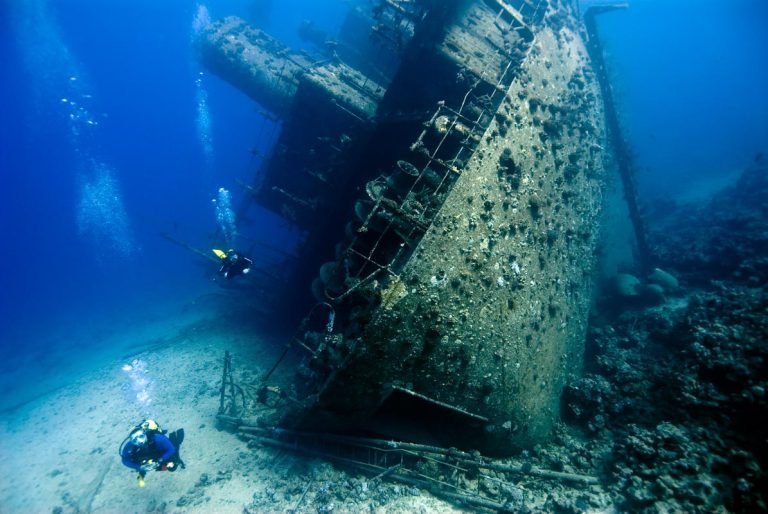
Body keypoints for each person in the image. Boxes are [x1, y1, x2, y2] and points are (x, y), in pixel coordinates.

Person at [120, 419, 185, 487]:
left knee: (172, 467)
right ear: (131, 441)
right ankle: (142, 474)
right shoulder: (129, 446)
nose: (140, 441)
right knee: (138, 459)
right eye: (135, 440)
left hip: (159, 453)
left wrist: (160, 460)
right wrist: (140, 466)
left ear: (144, 434)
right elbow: (125, 460)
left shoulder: (157, 438)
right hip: (146, 458)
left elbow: (171, 449)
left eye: (141, 436)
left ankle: (174, 445)